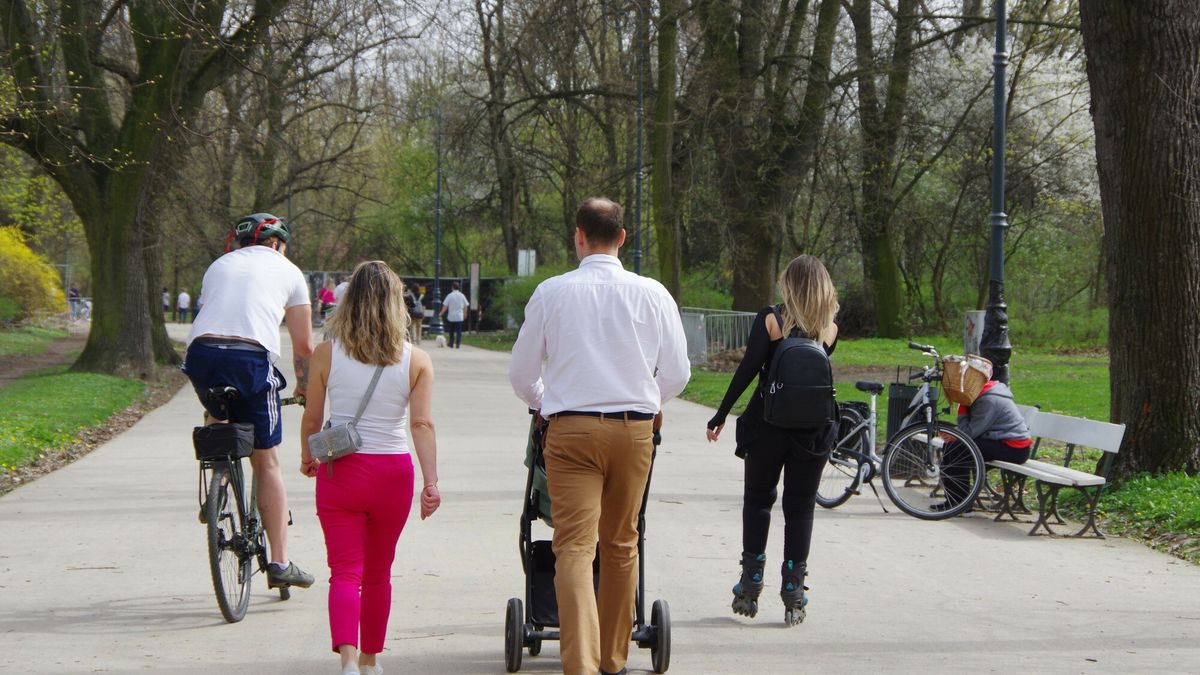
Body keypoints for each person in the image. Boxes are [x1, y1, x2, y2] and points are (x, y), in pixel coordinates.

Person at [509, 197, 690, 675]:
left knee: (573, 546)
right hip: (634, 429)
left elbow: (522, 373)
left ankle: (581, 663)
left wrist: (544, 399)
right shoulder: (652, 294)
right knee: (621, 543)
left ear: (579, 237)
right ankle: (613, 659)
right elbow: (678, 372)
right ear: (623, 237)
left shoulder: (552, 293)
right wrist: (651, 403)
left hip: (571, 431)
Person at [300, 260, 441, 675]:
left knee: (345, 571)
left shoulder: (326, 354)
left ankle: (346, 660)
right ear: (396, 303)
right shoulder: (416, 360)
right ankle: (370, 660)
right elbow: (421, 424)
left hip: (341, 471)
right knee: (378, 574)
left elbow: (312, 417)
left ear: (349, 301)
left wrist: (308, 457)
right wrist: (431, 482)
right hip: (392, 474)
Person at [182, 212, 317, 590]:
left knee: (218, 406)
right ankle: (279, 562)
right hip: (250, 358)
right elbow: (304, 346)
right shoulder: (289, 271)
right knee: (267, 461)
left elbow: (214, 316)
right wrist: (305, 388)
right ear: (277, 243)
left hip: (201, 354)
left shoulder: (218, 265)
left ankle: (218, 484)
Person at [705, 254, 840, 626]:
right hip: (812, 429)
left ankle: (751, 580)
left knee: (758, 500)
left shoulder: (772, 319)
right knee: (800, 507)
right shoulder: (829, 328)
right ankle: (794, 588)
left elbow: (749, 369)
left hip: (768, 425)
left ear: (789, 285)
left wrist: (721, 414)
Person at [936, 377, 1032, 512]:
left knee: (958, 448)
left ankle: (961, 504)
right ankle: (953, 500)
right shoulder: (979, 395)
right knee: (951, 446)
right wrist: (955, 434)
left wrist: (962, 409)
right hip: (998, 441)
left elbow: (970, 432)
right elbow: (971, 431)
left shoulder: (988, 400)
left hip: (1014, 449)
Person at [439, 281, 469, 349]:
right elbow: (465, 306)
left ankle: (451, 343)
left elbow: (445, 306)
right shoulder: (462, 295)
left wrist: (441, 313)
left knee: (451, 331)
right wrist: (465, 314)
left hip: (451, 317)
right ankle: (458, 344)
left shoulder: (450, 295)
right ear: (459, 288)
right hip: (459, 316)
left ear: (452, 287)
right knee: (459, 331)